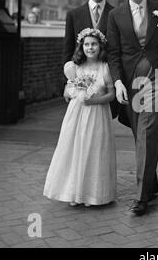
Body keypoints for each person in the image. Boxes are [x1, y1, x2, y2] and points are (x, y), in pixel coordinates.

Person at [107, 0, 158, 216]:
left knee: (147, 132)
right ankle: (152, 184)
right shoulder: (116, 15)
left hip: (156, 77)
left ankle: (140, 197)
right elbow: (113, 53)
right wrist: (117, 82)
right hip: (131, 80)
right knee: (141, 135)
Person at [43, 28, 117, 206]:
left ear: (100, 47)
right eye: (87, 44)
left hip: (97, 114)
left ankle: (91, 194)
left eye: (94, 44)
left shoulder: (104, 67)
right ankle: (74, 192)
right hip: (77, 114)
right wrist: (75, 91)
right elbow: (67, 92)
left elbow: (111, 94)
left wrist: (95, 100)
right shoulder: (74, 67)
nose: (90, 48)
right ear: (81, 47)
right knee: (75, 148)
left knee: (93, 149)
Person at [63, 0, 114, 64]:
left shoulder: (115, 14)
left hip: (107, 72)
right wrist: (68, 75)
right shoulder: (73, 15)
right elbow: (68, 50)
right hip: (81, 72)